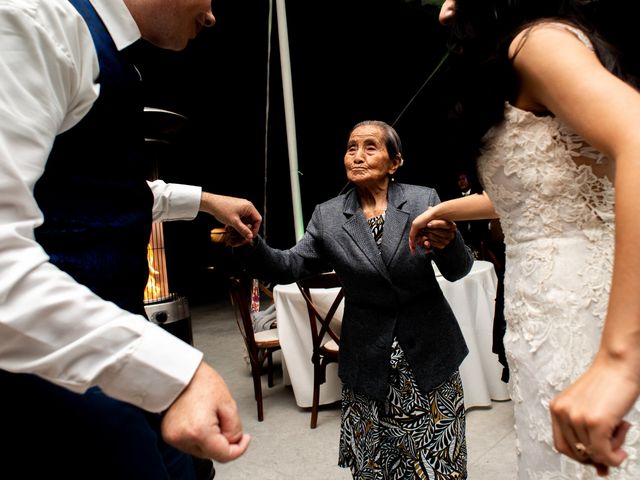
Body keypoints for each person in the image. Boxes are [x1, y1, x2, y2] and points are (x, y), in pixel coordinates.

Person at [0, 0, 257, 478]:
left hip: (111, 352)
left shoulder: (113, 56)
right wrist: (173, 372)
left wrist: (206, 200)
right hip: (55, 371)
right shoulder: (36, 22)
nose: (212, 15)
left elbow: (94, 195)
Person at [409, 0, 640, 477]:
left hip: (587, 308)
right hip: (537, 317)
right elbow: (542, 196)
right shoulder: (515, 59)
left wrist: (620, 360)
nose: (445, 8)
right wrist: (444, 209)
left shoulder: (538, 42)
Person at [230, 120, 474, 478]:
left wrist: (449, 244)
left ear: (395, 162)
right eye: (351, 147)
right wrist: (252, 246)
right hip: (368, 359)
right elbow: (290, 265)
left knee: (438, 465)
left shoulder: (424, 200)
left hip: (428, 353)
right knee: (378, 466)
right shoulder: (328, 216)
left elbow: (458, 270)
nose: (357, 156)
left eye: (370, 147)